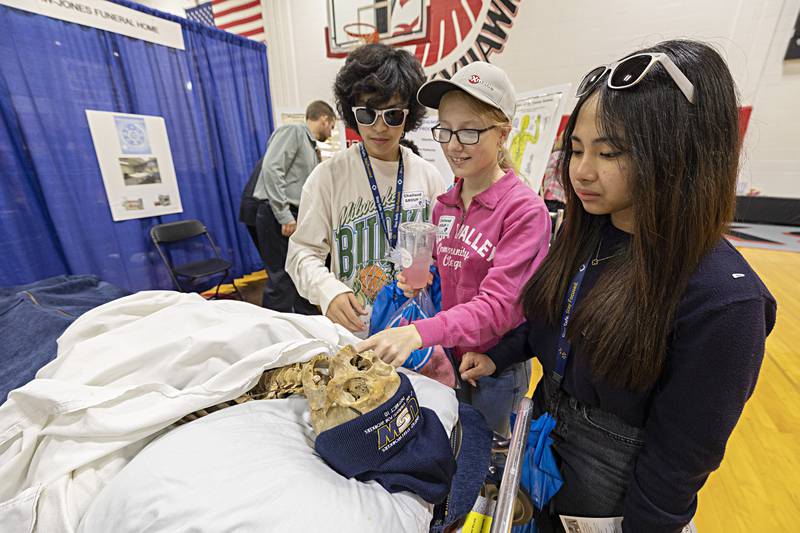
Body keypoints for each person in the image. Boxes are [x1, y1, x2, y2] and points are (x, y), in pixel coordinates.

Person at [459, 40, 776, 532]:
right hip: (548, 448)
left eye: (609, 153)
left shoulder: (723, 301)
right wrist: (502, 354)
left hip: (617, 499)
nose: (582, 172)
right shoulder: (589, 231)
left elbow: (678, 462)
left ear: (678, 154)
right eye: (577, 149)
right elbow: (553, 319)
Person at [356, 62, 552, 436]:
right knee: (452, 439)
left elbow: (499, 306)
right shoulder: (444, 205)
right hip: (448, 355)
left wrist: (418, 333)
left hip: (496, 366)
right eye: (445, 130)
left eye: (469, 132)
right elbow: (448, 277)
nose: (452, 145)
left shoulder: (524, 211)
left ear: (502, 134)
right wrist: (418, 280)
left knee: (487, 450)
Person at [286, 44, 444, 335]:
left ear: (409, 115)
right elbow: (301, 253)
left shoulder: (428, 176)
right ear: (351, 113)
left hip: (416, 333)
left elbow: (444, 253)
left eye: (393, 115)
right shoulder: (327, 178)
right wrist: (326, 290)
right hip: (353, 335)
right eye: (368, 114)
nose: (380, 127)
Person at [248, 100, 336, 313]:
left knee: (296, 274)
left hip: (290, 213)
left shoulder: (310, 145)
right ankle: (274, 332)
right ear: (325, 119)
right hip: (276, 214)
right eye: (332, 126)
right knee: (281, 278)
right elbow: (271, 169)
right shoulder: (294, 131)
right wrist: (284, 216)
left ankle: (304, 321)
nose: (331, 133)